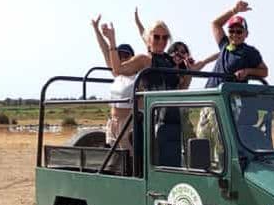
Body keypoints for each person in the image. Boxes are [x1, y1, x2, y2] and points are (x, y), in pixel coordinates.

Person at [135, 8, 219, 88]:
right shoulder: (164, 61)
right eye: (176, 51)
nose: (179, 54)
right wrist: (138, 22)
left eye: (183, 52)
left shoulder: (187, 68)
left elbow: (206, 61)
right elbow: (147, 38)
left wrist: (222, 51)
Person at [91, 14, 135, 153]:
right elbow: (105, 51)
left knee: (129, 159)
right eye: (119, 55)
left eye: (126, 56)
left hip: (128, 124)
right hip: (113, 122)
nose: (122, 58)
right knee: (114, 160)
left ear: (132, 58)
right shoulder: (117, 73)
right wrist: (96, 29)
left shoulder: (138, 76)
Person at [206, 0, 268, 88]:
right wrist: (234, 10)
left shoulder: (250, 51)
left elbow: (264, 72)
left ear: (246, 34)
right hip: (211, 95)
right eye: (231, 31)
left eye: (239, 31)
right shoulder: (225, 44)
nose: (234, 34)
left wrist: (247, 71)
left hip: (230, 97)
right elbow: (215, 24)